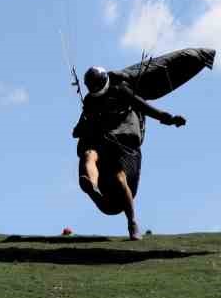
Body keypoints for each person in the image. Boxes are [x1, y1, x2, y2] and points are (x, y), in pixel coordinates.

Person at [72, 65, 186, 241]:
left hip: (124, 147)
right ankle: (92, 186)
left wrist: (169, 119)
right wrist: (85, 125)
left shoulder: (120, 90)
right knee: (89, 155)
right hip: (103, 144)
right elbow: (77, 130)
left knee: (119, 178)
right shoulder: (90, 101)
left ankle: (132, 223)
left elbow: (146, 107)